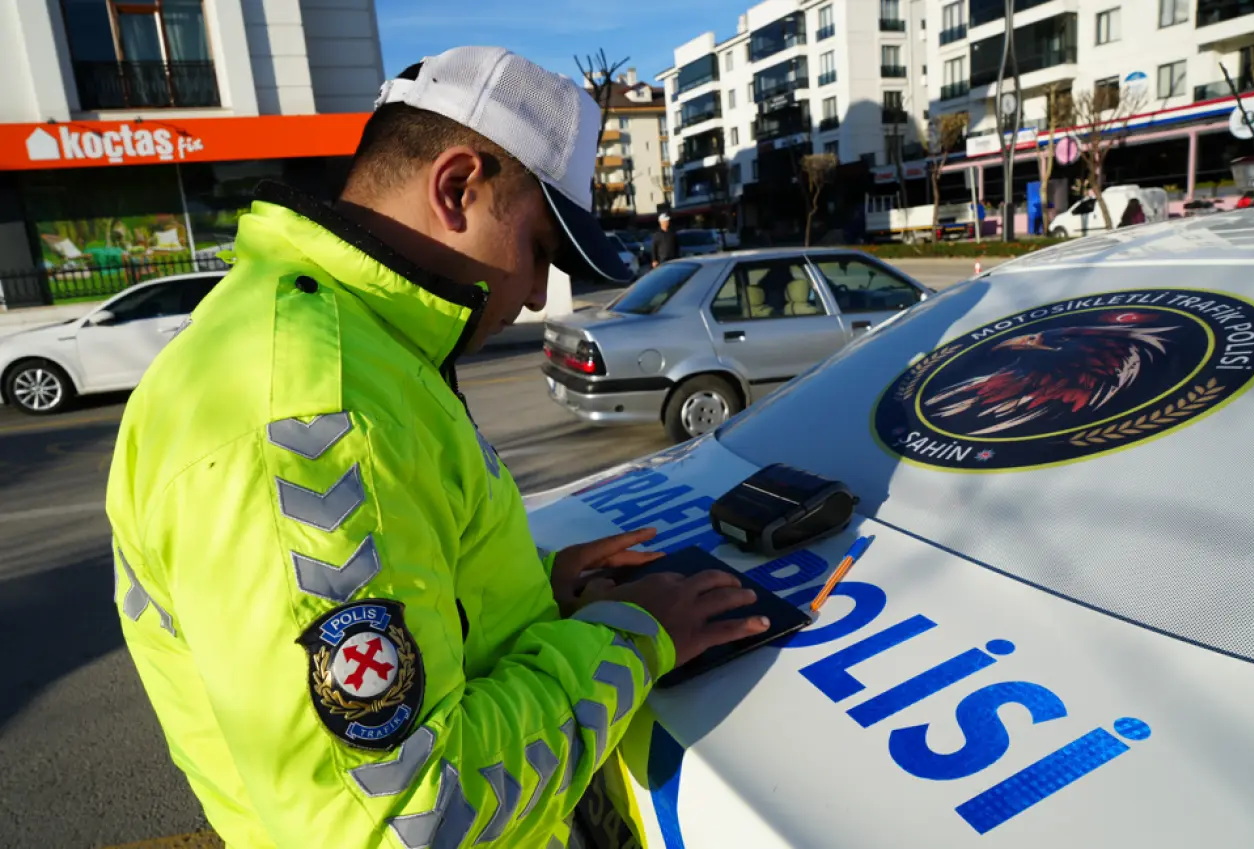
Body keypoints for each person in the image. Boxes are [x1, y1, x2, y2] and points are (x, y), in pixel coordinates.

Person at [105, 47, 768, 849]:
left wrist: (528, 597)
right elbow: (403, 817)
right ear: (457, 188)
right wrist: (630, 636)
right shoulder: (308, 413)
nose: (532, 295)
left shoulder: (349, 342)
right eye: (539, 252)